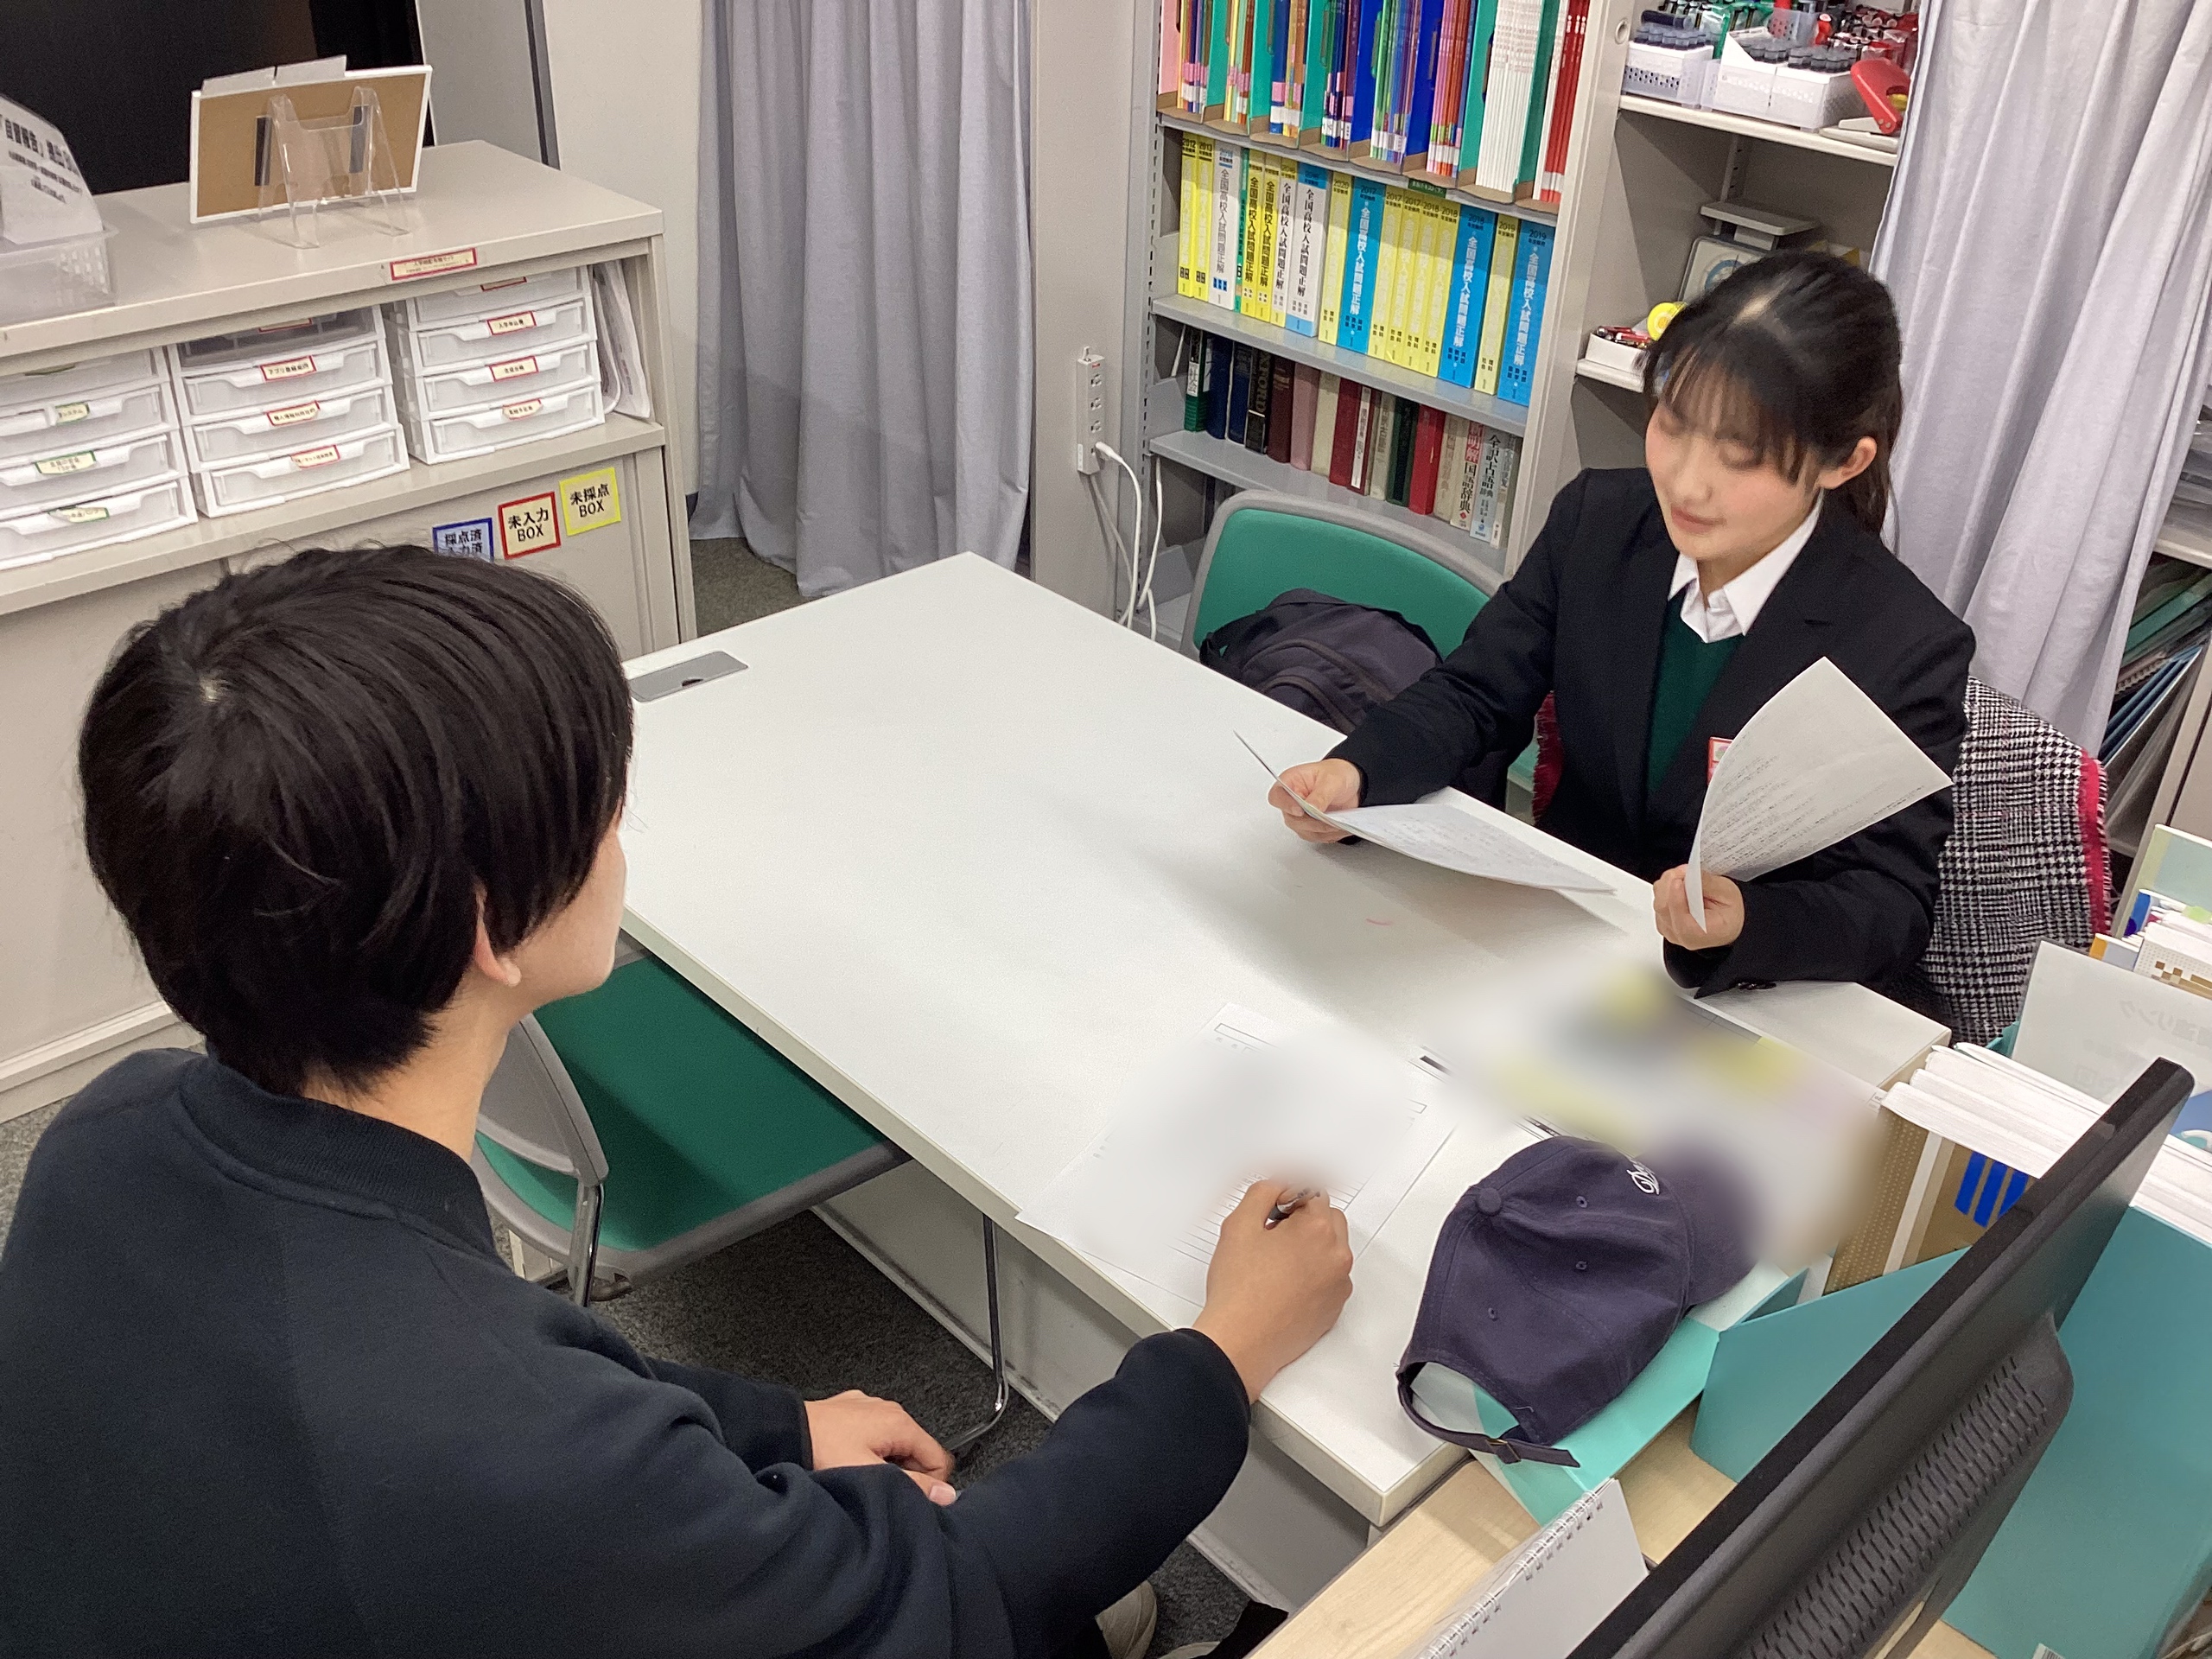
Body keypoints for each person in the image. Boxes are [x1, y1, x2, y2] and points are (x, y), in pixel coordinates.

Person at [0, 547, 1355, 1659]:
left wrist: (774, 1430)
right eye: (600, 804)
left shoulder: (106, 1137)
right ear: (492, 927)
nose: (617, 836)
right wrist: (1224, 1352)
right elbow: (937, 1598)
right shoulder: (519, 1465)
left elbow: (538, 1388)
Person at [1269, 251, 1973, 998]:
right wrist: (1359, 772)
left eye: (1741, 456)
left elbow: (1890, 904)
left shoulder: (1903, 644)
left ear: (1844, 463)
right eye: (1673, 424)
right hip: (1561, 943)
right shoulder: (1598, 523)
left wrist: (1750, 921)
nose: (1688, 483)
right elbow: (1478, 692)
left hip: (1753, 998)